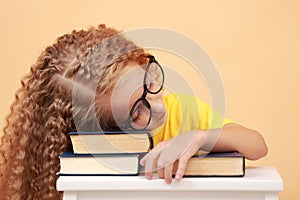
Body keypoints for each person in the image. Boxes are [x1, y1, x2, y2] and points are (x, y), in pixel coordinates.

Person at [0, 24, 268, 199]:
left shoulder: (181, 110)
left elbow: (257, 146)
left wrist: (198, 137)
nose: (159, 107)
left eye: (150, 81)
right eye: (137, 112)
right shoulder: (89, 157)